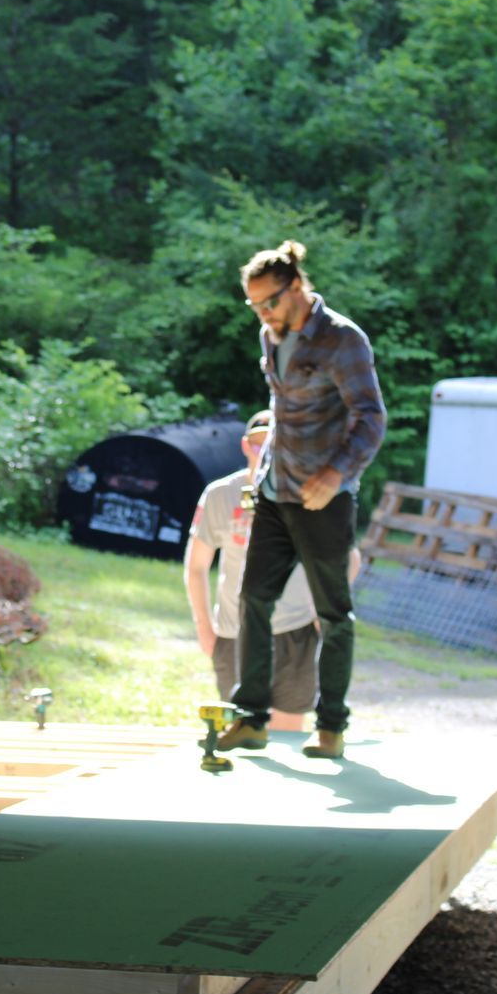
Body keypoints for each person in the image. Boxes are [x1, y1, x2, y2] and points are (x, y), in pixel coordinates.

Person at [217, 241, 386, 760]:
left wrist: (336, 474)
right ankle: (251, 718)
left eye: (269, 302)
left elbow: (371, 418)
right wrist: (265, 473)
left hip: (324, 499)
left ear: (296, 287)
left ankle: (331, 726)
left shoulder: (342, 340)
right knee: (253, 601)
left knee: (333, 613)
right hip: (274, 491)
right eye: (254, 307)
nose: (263, 314)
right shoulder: (270, 336)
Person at [186, 410, 321, 732]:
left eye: (275, 445)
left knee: (287, 735)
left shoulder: (308, 493)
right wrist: (205, 628)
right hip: (236, 631)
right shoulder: (221, 494)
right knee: (241, 730)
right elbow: (196, 567)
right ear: (246, 447)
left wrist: (322, 612)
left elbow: (348, 559)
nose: (266, 454)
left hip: (294, 628)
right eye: (260, 446)